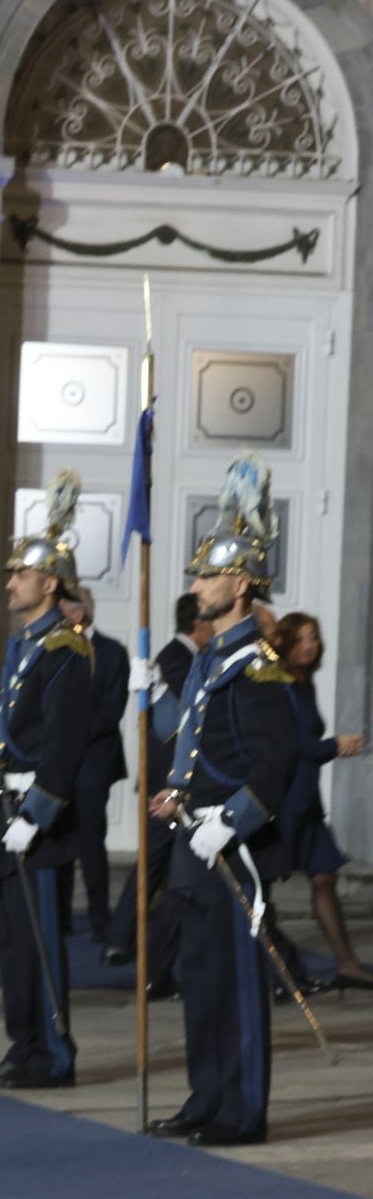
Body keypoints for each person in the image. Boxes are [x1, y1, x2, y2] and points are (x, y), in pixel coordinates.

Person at [143, 455, 299, 1148]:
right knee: (200, 977)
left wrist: (229, 821)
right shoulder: (211, 660)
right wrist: (178, 792)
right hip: (193, 841)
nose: (197, 585)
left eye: (207, 576)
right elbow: (205, 745)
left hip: (231, 847)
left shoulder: (258, 667)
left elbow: (274, 763)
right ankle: (207, 1097)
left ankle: (242, 1110)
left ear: (240, 585)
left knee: (237, 984)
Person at [0, 474, 93, 1089]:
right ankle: (25, 1043)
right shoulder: (24, 646)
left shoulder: (64, 651)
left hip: (37, 818)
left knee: (43, 940)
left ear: (48, 583)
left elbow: (62, 745)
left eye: (19, 575)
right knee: (13, 943)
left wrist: (39, 812)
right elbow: (13, 735)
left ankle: (55, 1052)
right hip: (9, 810)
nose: (9, 583)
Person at [102, 591, 212, 988]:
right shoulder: (176, 659)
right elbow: (183, 721)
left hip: (172, 785)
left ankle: (126, 942)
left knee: (161, 869)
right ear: (198, 624)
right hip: (169, 785)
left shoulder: (182, 657)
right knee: (155, 866)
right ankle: (122, 941)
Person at [268, 611, 369, 990]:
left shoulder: (304, 683)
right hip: (286, 800)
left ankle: (346, 964)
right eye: (301, 639)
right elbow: (293, 745)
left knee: (325, 877)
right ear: (285, 644)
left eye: (313, 637)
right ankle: (273, 968)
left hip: (307, 800)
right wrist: (334, 746)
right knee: (258, 887)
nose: (309, 645)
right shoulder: (280, 686)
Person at [61, 585, 127, 942]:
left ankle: (101, 919)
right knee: (59, 839)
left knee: (89, 841)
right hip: (59, 762)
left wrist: (72, 734)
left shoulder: (113, 652)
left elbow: (112, 709)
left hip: (94, 761)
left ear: (78, 613)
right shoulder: (57, 650)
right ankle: (60, 917)